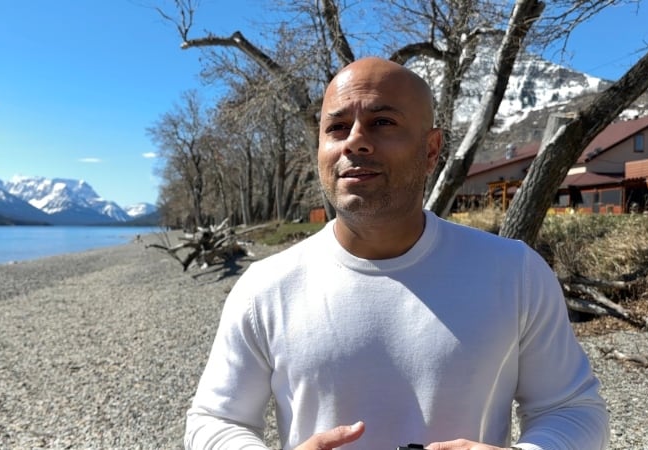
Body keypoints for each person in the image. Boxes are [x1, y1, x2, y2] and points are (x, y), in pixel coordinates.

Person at [185, 57, 609, 450]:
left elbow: (572, 409)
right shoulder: (266, 288)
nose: (355, 142)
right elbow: (214, 421)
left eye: (382, 122)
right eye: (336, 128)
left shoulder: (514, 273)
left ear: (430, 150)